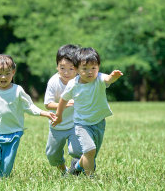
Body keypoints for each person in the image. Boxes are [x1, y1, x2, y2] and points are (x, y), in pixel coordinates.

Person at [51, 47, 123, 176]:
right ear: (77, 69)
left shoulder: (99, 78)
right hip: (81, 124)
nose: (90, 72)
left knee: (91, 154)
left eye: (93, 68)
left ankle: (77, 166)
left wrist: (113, 77)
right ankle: (90, 178)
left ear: (98, 67)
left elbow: (108, 79)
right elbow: (63, 100)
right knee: (90, 150)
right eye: (85, 69)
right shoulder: (73, 84)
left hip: (99, 122)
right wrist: (59, 116)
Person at [43, 44, 81, 175]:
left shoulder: (81, 81)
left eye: (71, 69)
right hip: (57, 124)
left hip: (76, 124)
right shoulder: (54, 81)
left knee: (76, 150)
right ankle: (64, 171)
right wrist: (63, 104)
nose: (66, 72)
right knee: (52, 155)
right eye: (62, 68)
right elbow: (48, 104)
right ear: (57, 66)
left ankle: (77, 167)